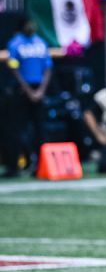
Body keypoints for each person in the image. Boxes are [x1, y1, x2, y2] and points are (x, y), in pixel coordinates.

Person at [5, 17, 53, 174]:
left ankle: (40, 165)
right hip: (21, 90)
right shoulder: (15, 43)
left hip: (38, 89)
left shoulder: (41, 42)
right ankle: (14, 165)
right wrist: (28, 91)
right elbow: (14, 68)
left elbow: (48, 68)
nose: (31, 26)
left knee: (40, 129)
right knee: (16, 129)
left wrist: (40, 91)